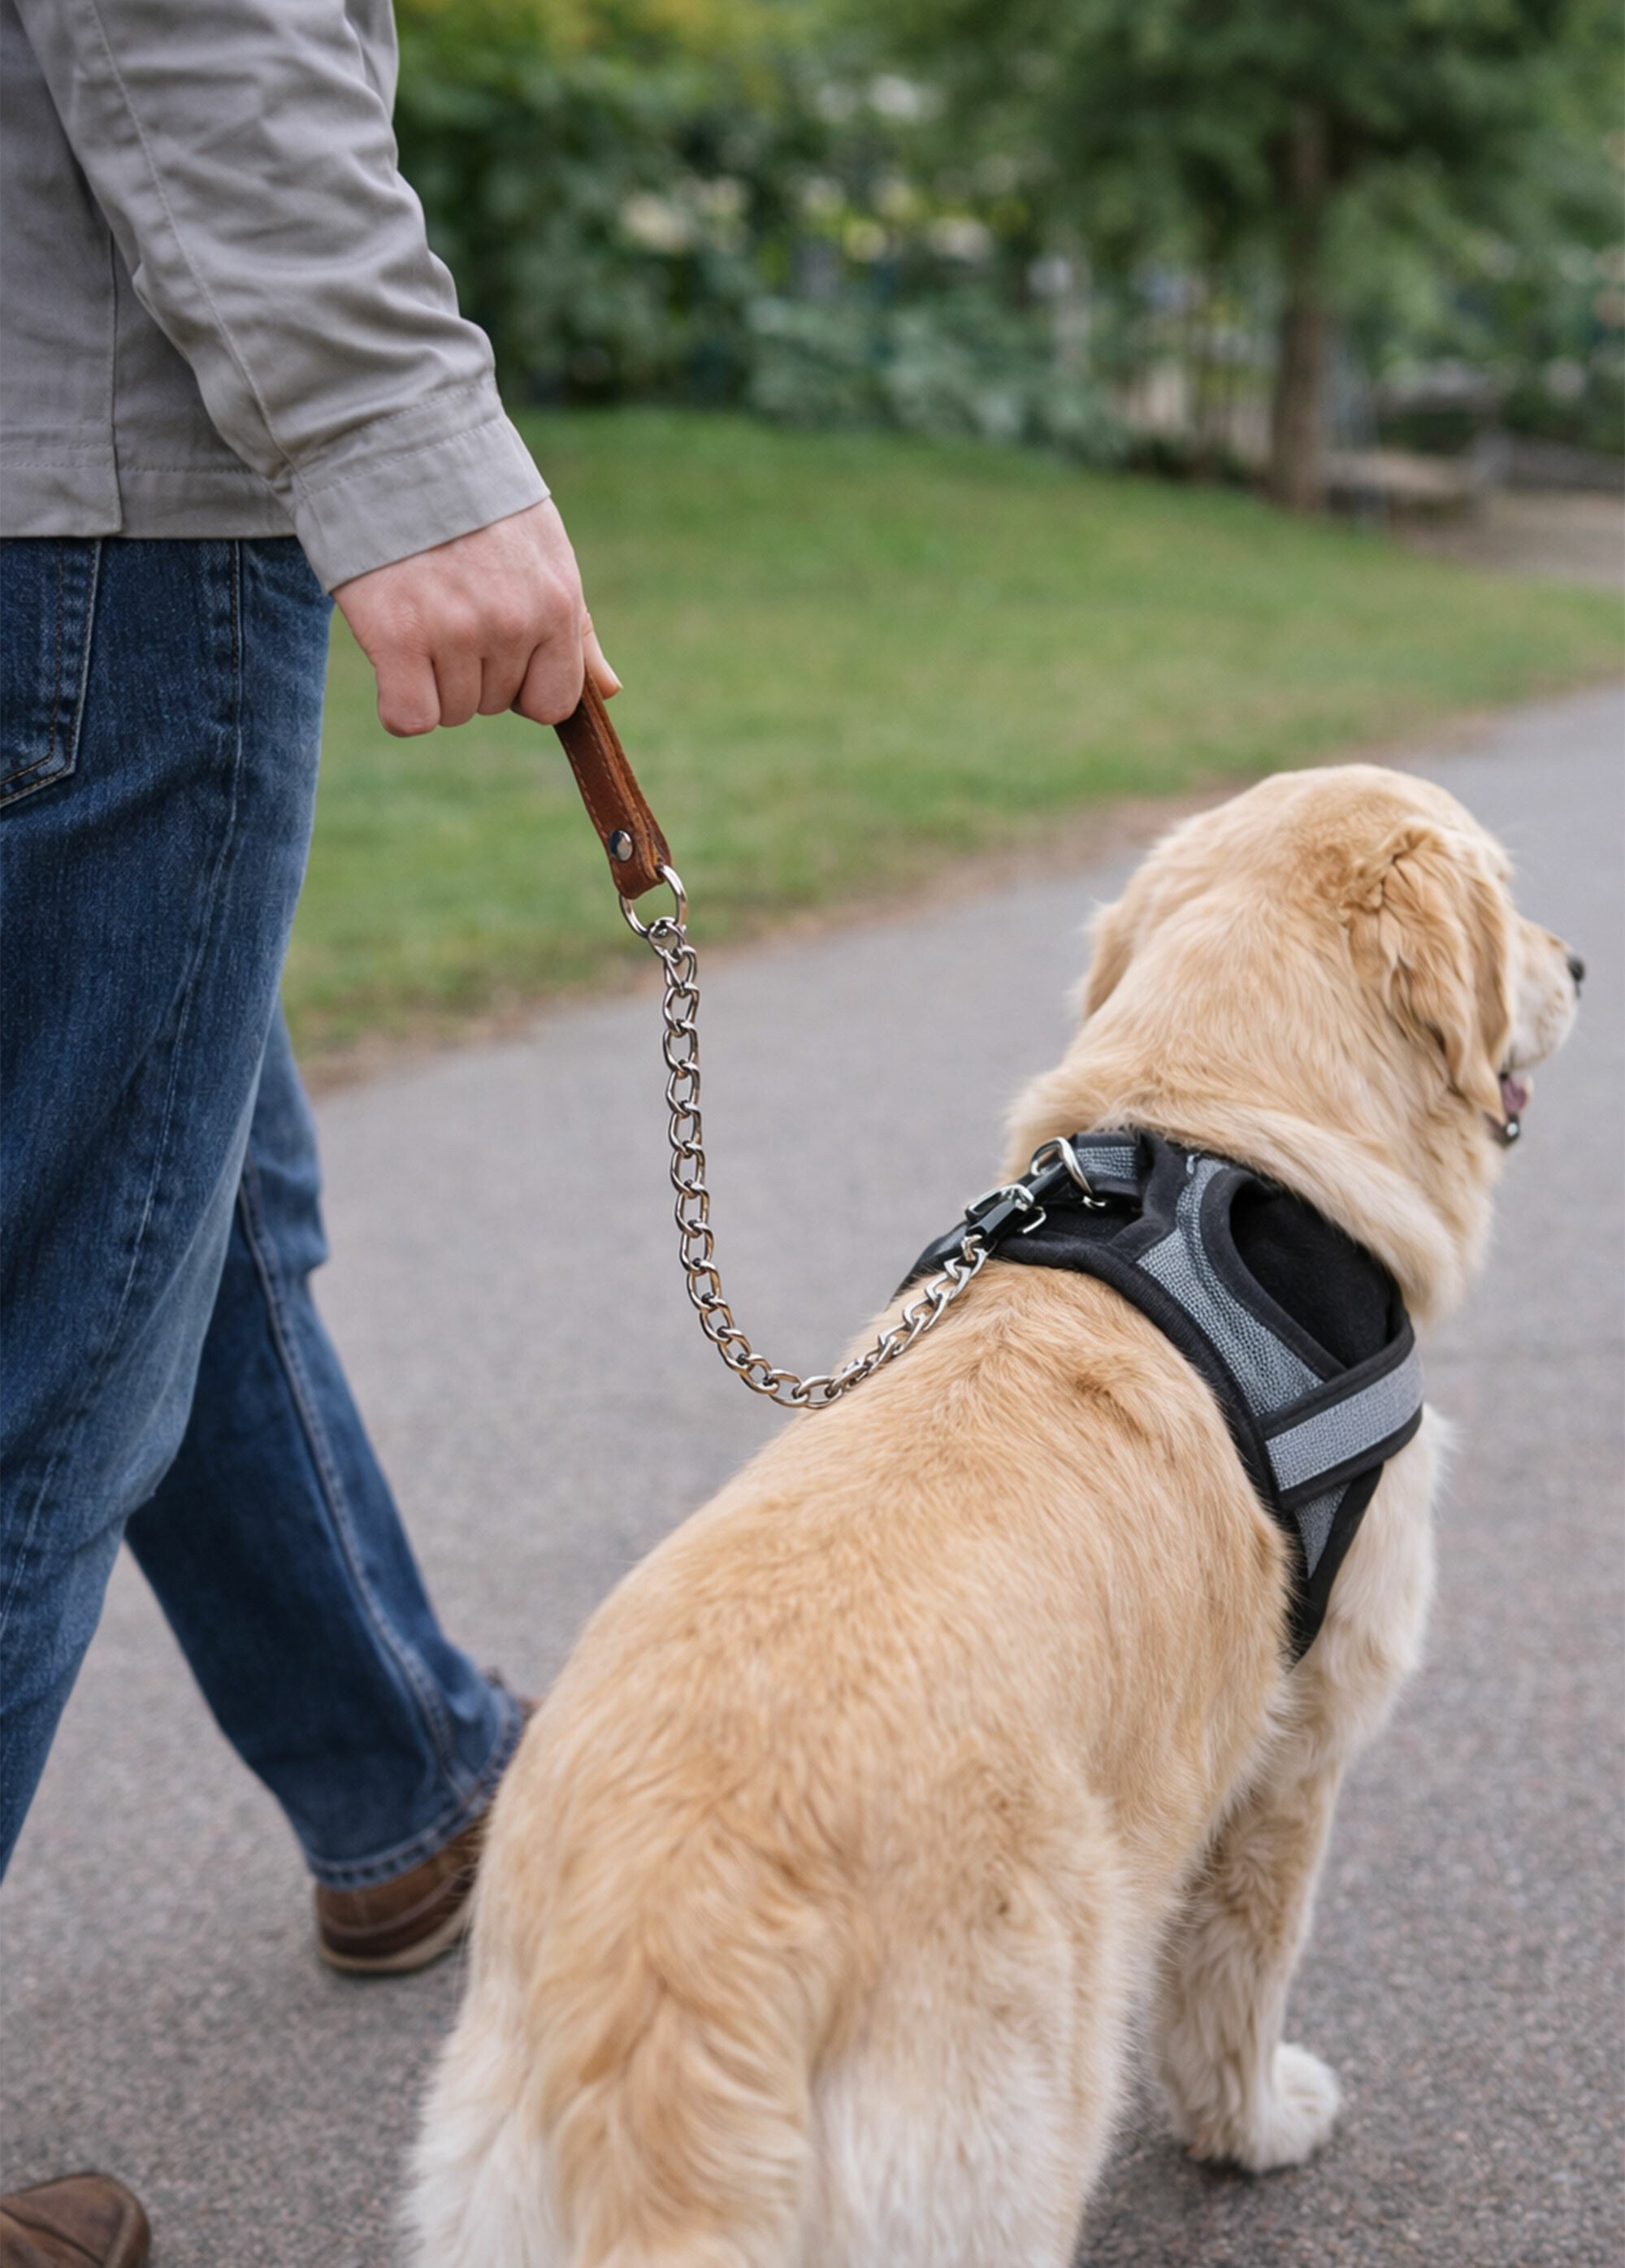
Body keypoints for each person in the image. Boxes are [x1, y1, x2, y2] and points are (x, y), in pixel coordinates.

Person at [0, 4, 615, 2261]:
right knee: (44, 1360)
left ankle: (410, 1780)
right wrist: (400, 445)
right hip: (83, 525)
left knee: (174, 1205)